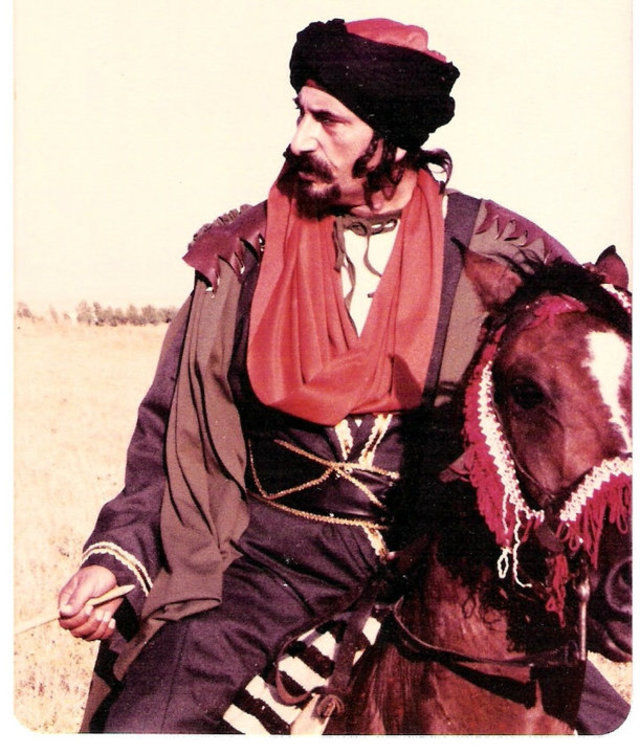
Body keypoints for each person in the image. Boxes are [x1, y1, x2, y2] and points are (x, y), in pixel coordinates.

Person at [57, 18, 629, 734]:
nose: (300, 139)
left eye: (328, 120)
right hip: (267, 565)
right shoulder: (240, 258)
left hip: (453, 572)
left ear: (393, 137)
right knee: (146, 727)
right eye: (300, 112)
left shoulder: (505, 256)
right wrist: (118, 558)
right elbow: (172, 436)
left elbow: (591, 404)